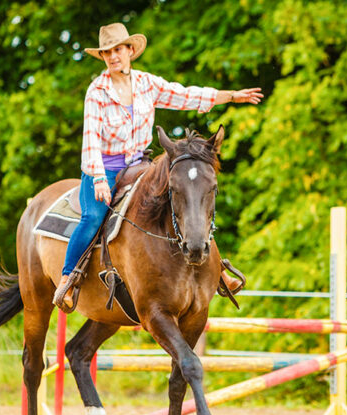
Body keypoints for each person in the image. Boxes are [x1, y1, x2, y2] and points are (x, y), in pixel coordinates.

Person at [53, 23, 262, 310]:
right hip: (103, 169)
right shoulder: (96, 92)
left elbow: (186, 95)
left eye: (118, 50)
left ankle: (218, 271)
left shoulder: (147, 84)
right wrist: (100, 178)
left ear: (130, 51)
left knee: (186, 198)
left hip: (140, 165)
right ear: (102, 57)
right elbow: (90, 139)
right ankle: (68, 279)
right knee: (92, 217)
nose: (113, 56)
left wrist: (230, 95)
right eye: (107, 53)